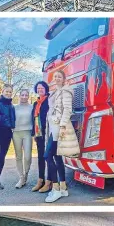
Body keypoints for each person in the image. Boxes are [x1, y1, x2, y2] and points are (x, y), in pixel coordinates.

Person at [44, 70, 74, 203]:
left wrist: (62, 126)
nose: (56, 78)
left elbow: (67, 109)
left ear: (63, 79)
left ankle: (55, 189)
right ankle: (63, 187)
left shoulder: (66, 91)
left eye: (59, 77)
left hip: (58, 127)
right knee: (57, 156)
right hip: (52, 126)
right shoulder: (54, 93)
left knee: (47, 156)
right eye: (55, 76)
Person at [30, 81, 52, 193]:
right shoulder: (35, 103)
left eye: (42, 88)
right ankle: (40, 180)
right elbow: (33, 119)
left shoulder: (49, 100)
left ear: (46, 89)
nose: (40, 90)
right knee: (40, 158)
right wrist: (33, 133)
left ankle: (49, 182)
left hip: (48, 133)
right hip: (39, 134)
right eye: (38, 88)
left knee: (48, 157)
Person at [12, 88, 33, 188]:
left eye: (26, 95)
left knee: (28, 156)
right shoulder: (14, 108)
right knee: (18, 156)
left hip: (27, 133)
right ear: (19, 96)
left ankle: (26, 175)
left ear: (28, 96)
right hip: (16, 133)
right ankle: (21, 178)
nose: (24, 97)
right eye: (22, 95)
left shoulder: (32, 107)